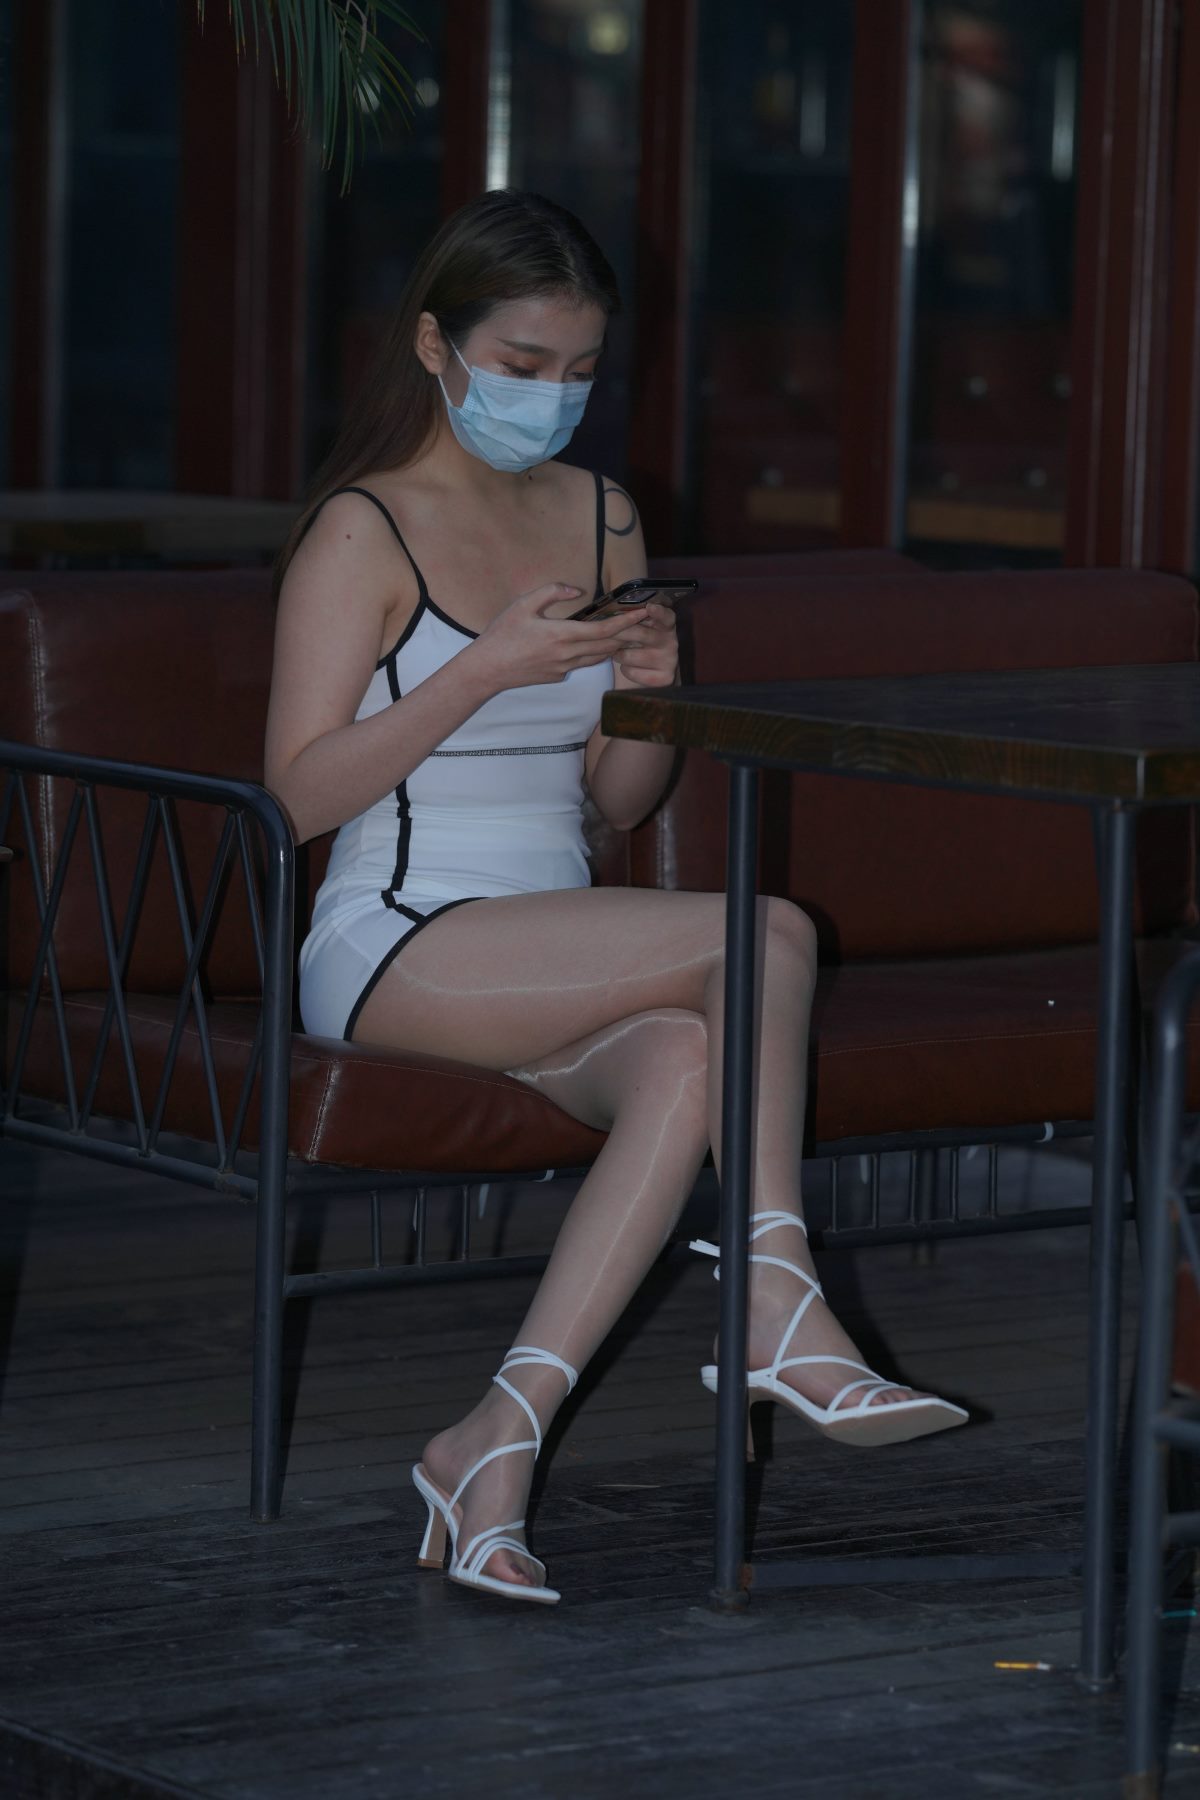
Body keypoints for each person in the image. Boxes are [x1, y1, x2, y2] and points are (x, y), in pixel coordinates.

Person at [265, 189, 966, 1608]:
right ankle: (775, 1295)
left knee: (698, 1052)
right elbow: (293, 799)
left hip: (552, 934)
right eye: (521, 365)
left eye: (579, 371)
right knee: (764, 932)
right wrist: (482, 671)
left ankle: (493, 1443)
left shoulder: (604, 515)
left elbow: (617, 806)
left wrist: (651, 699)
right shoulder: (362, 529)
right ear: (435, 346)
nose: (552, 396)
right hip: (397, 936)